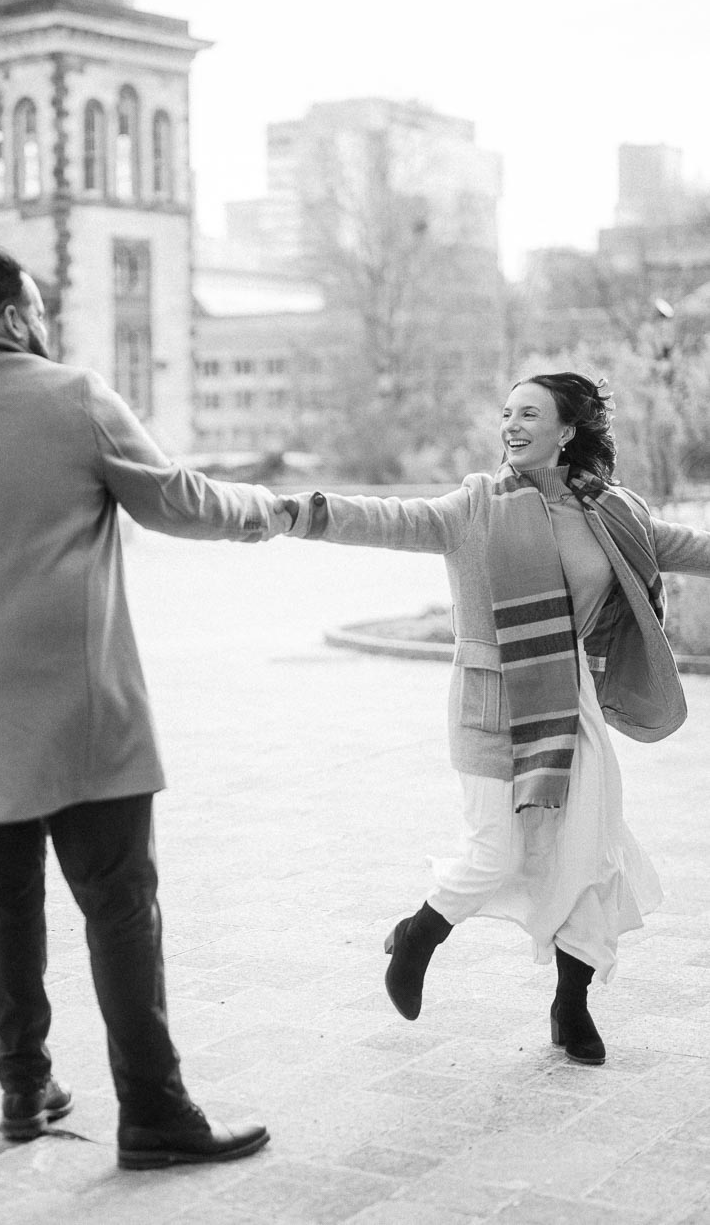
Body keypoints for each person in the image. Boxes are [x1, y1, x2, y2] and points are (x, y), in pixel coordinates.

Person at [0, 246, 292, 1167]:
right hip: (84, 713)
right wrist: (269, 511)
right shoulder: (74, 397)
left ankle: (23, 1089)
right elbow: (173, 500)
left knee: (5, 902)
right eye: (38, 308)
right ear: (14, 317)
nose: (44, 323)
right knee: (121, 907)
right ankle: (154, 1114)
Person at [278, 371, 710, 1065]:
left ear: (567, 431)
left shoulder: (612, 512)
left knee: (588, 856)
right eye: (507, 413)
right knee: (496, 851)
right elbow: (393, 520)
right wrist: (302, 512)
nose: (511, 425)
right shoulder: (476, 505)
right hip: (490, 708)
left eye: (530, 414)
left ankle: (571, 1009)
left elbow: (686, 547)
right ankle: (418, 936)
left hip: (571, 709)